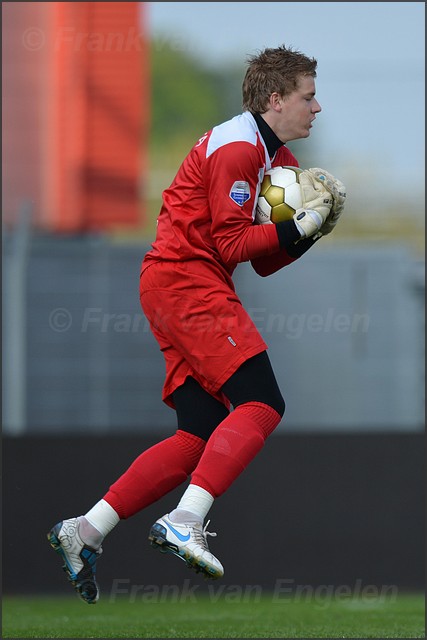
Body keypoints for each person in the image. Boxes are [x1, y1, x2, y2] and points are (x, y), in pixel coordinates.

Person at [47, 44, 346, 604]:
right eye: (308, 96)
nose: (317, 107)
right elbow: (231, 242)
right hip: (186, 282)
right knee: (262, 403)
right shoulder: (238, 150)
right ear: (275, 99)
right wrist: (297, 224)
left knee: (196, 434)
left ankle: (84, 531)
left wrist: (308, 231)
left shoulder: (275, 159)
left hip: (175, 283)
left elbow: (263, 259)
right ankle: (185, 520)